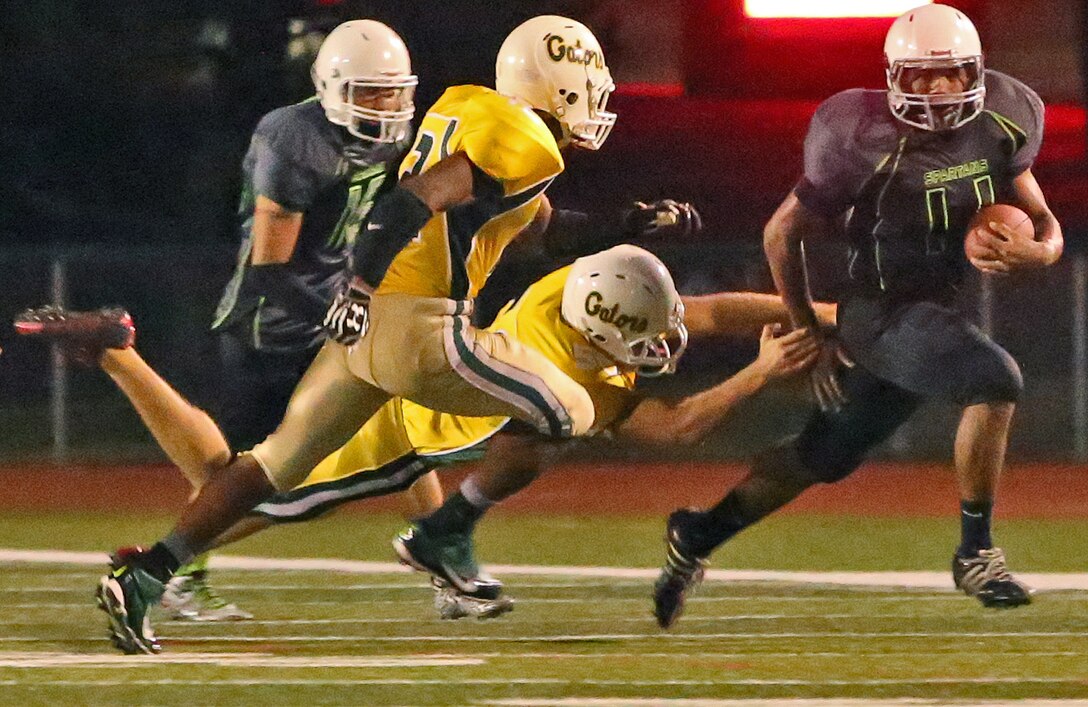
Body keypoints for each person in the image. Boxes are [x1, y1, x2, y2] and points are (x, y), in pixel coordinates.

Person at [68, 15, 701, 655]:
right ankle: (444, 530)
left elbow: (536, 230)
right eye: (591, 83)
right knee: (575, 407)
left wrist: (628, 222)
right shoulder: (525, 139)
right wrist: (359, 288)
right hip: (419, 325)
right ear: (560, 85)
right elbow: (410, 201)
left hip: (372, 331)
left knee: (268, 467)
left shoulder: (472, 110)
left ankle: (144, 575)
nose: (598, 99)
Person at [16, 244, 830, 631]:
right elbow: (676, 426)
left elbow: (713, 309)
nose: (660, 349)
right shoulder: (574, 383)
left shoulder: (570, 296)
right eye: (643, 340)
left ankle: (443, 544)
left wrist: (818, 316)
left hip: (408, 376)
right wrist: (758, 374)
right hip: (401, 425)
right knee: (233, 480)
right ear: (599, 335)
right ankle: (123, 358)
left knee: (266, 472)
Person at [651, 3, 1064, 630]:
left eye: (950, 73)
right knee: (995, 378)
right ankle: (976, 551)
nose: (937, 89)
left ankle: (698, 534)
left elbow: (1042, 218)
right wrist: (807, 325)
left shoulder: (1005, 116)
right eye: (921, 76)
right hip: (879, 310)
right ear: (895, 75)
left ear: (975, 70)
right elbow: (779, 233)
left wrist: (1042, 251)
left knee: (825, 454)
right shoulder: (857, 133)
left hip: (931, 312)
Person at [184, 19, 423, 620]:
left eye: (392, 91)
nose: (385, 104)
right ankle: (174, 569)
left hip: (330, 318)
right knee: (240, 471)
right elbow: (270, 268)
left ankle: (447, 553)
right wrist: (339, 314)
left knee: (395, 429)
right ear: (332, 87)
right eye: (369, 91)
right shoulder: (293, 138)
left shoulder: (391, 141)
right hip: (270, 326)